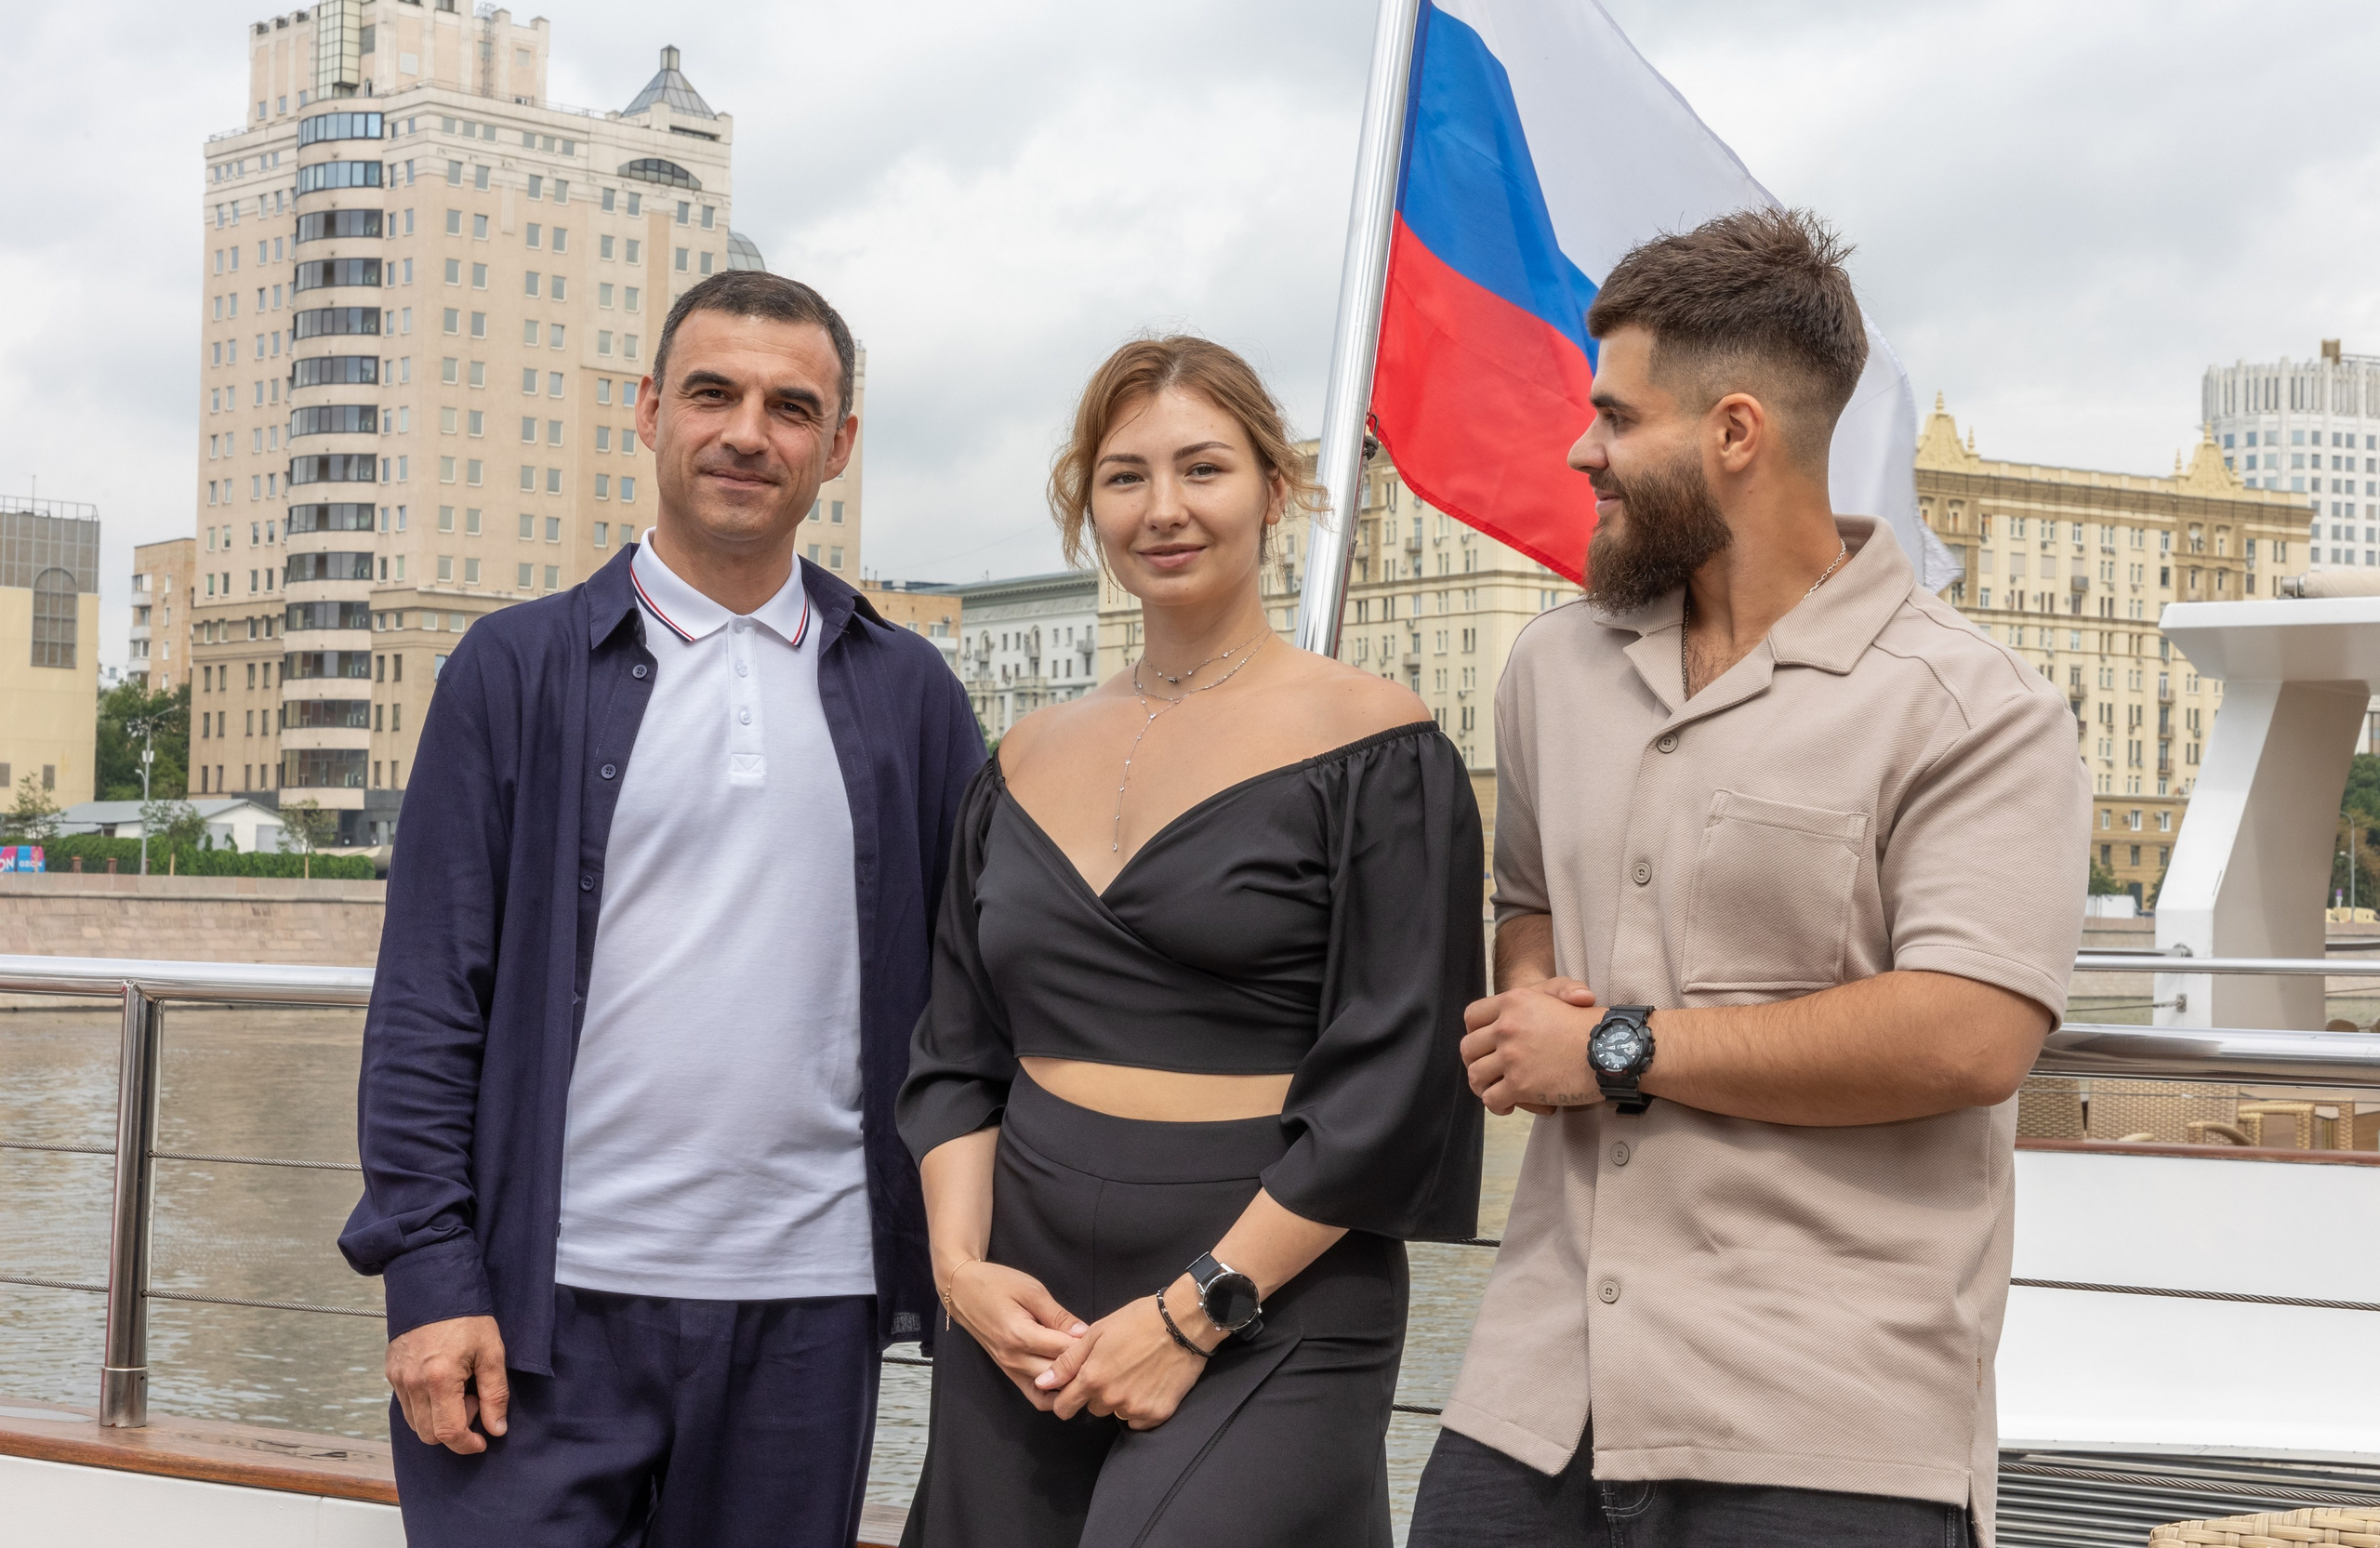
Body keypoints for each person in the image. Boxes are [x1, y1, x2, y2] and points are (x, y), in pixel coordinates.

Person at [1406, 210, 2090, 1548]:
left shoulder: (1974, 708)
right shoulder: (1552, 670)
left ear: (1733, 433)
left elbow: (1968, 1034)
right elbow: (1529, 896)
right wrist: (1527, 992)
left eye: (1614, 417)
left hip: (1824, 1423)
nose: (1579, 450)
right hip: (1536, 1395)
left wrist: (1608, 1047)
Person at [337, 271, 984, 1547]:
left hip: (811, 1306)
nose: (748, 431)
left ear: (837, 446)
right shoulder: (513, 671)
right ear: (646, 412)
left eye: (792, 407)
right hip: (538, 1313)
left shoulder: (909, 691)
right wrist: (428, 1272)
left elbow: (984, 990)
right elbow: (427, 1000)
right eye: (712, 392)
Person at [895, 336, 1485, 1547]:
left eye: (1203, 469)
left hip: (1275, 1276)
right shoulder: (1012, 762)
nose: (1163, 509)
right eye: (1124, 476)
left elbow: (1398, 1079)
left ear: (1278, 490)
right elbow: (957, 1052)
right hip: (1025, 1286)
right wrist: (960, 1273)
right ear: (1085, 504)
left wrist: (1197, 1309)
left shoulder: (1377, 747)